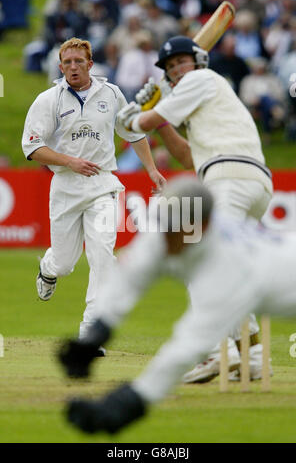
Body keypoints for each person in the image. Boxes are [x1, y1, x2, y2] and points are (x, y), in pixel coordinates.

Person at [60, 175, 296, 435]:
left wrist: (123, 405)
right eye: (167, 227)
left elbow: (185, 349)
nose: (169, 239)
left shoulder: (228, 269)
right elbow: (127, 279)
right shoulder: (167, 229)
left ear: (204, 225)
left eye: (178, 230)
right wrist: (97, 332)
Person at [114, 35, 274, 383]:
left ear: (198, 60)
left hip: (228, 178)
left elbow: (141, 123)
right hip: (253, 182)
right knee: (229, 264)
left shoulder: (202, 78)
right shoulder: (207, 94)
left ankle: (220, 351)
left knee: (196, 256)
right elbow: (187, 157)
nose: (176, 71)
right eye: (170, 68)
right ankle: (255, 355)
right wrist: (155, 119)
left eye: (181, 62)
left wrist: (131, 118)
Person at [21, 37, 165, 345]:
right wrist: (69, 162)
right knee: (64, 263)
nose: (73, 67)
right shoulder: (49, 99)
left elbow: (133, 132)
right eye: (67, 63)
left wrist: (151, 169)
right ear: (60, 67)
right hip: (65, 187)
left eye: (78, 62)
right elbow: (32, 147)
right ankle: (48, 268)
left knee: (102, 255)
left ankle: (90, 331)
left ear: (90, 64)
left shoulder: (111, 94)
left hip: (103, 185)